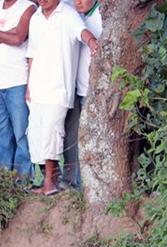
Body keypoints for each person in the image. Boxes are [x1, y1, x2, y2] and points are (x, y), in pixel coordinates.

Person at [25, 0, 98, 195]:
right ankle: (48, 181)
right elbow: (31, 54)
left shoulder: (67, 13)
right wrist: (29, 85)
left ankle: (50, 183)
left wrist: (92, 42)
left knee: (52, 133)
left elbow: (82, 32)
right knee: (36, 135)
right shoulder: (35, 18)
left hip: (59, 88)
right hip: (37, 88)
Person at [0, 0, 36, 179]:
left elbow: (18, 39)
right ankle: (2, 180)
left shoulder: (27, 6)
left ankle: (23, 180)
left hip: (18, 80)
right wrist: (7, 34)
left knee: (21, 134)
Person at [61, 0, 102, 190]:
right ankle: (71, 182)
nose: (78, 1)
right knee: (71, 138)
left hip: (94, 91)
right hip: (73, 88)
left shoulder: (102, 16)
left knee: (91, 140)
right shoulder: (72, 15)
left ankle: (90, 186)